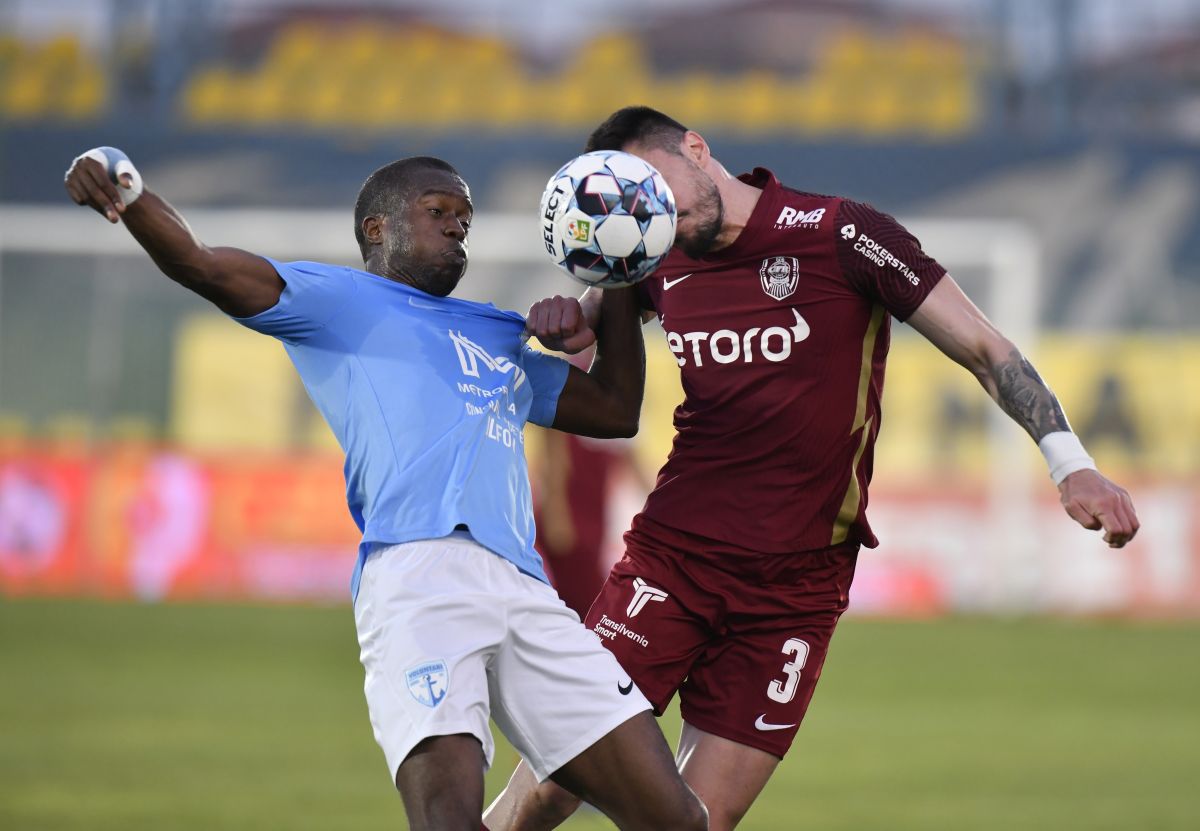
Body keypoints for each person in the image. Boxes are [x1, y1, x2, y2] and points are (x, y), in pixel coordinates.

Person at [485, 106, 1141, 831]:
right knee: (553, 781)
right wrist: (567, 321)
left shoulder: (842, 235)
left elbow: (986, 350)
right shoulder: (648, 254)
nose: (650, 212)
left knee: (694, 821)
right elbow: (586, 325)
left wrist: (1069, 463)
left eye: (655, 185)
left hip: (796, 591)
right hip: (673, 562)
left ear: (697, 149)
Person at [63, 147, 708, 831]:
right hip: (419, 578)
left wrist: (615, 276)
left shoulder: (495, 331)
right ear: (378, 228)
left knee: (677, 819)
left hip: (525, 587)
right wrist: (127, 195)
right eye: (440, 211)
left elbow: (614, 409)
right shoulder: (336, 301)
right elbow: (199, 262)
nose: (459, 226)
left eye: (466, 217)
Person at [531, 348, 652, 618]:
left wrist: (665, 508)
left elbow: (633, 462)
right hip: (568, 515)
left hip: (593, 517)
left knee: (584, 604)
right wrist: (556, 511)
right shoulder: (575, 379)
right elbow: (555, 456)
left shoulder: (622, 393)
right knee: (579, 606)